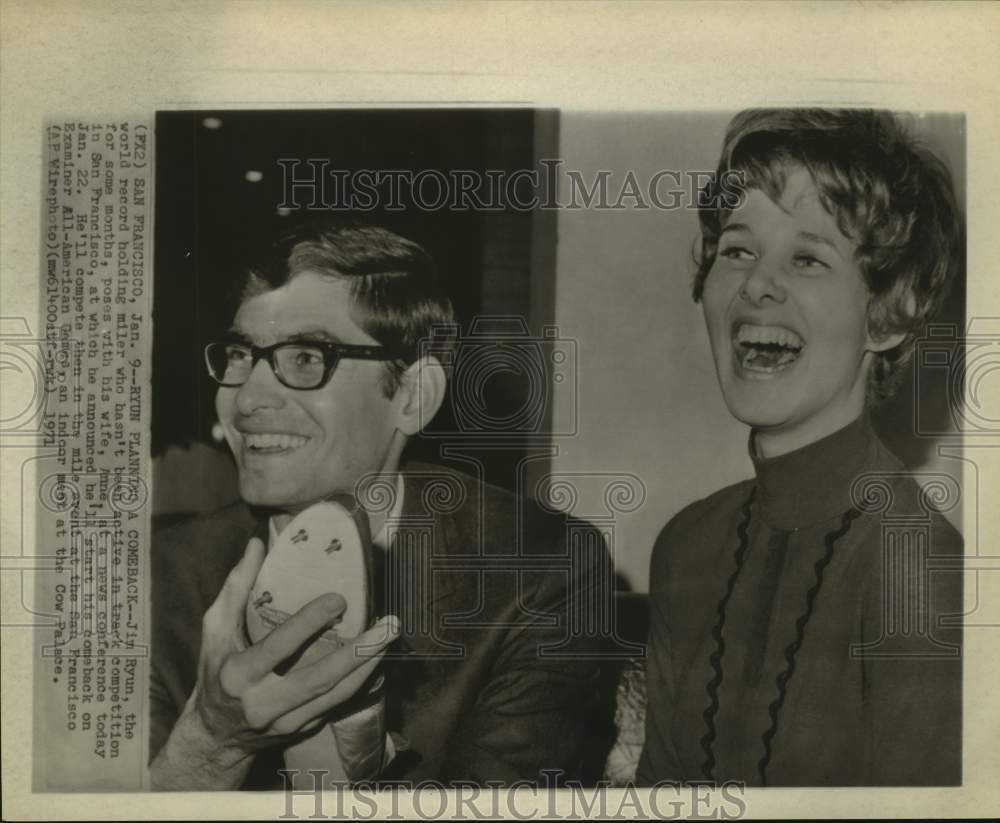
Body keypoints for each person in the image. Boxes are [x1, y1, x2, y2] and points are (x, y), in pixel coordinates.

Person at [150, 221, 613, 790]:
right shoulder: (156, 575)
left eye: (304, 358)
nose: (246, 400)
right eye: (241, 355)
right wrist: (213, 741)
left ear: (413, 397)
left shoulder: (543, 571)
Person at [637, 109, 964, 787]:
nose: (757, 283)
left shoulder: (918, 569)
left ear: (891, 310)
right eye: (736, 249)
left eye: (808, 257)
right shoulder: (686, 545)